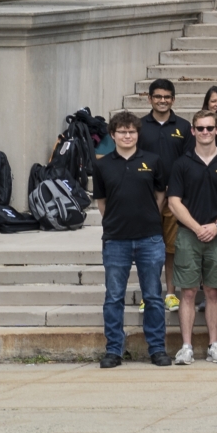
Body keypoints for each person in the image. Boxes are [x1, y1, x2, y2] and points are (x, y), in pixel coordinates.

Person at [91, 111, 172, 369]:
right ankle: (114, 350)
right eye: (122, 132)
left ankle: (157, 349)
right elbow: (101, 202)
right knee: (114, 296)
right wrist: (115, 221)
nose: (128, 136)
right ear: (113, 135)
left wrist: (148, 216)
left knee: (153, 296)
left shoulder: (153, 160)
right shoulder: (102, 165)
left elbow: (161, 195)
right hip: (116, 240)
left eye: (132, 131)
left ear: (138, 134)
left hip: (150, 238)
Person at [167, 109, 217, 364]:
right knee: (187, 292)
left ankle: (214, 345)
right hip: (189, 235)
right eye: (201, 128)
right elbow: (174, 202)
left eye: (211, 128)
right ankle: (186, 347)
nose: (206, 132)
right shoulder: (182, 163)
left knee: (212, 292)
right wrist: (198, 227)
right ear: (193, 131)